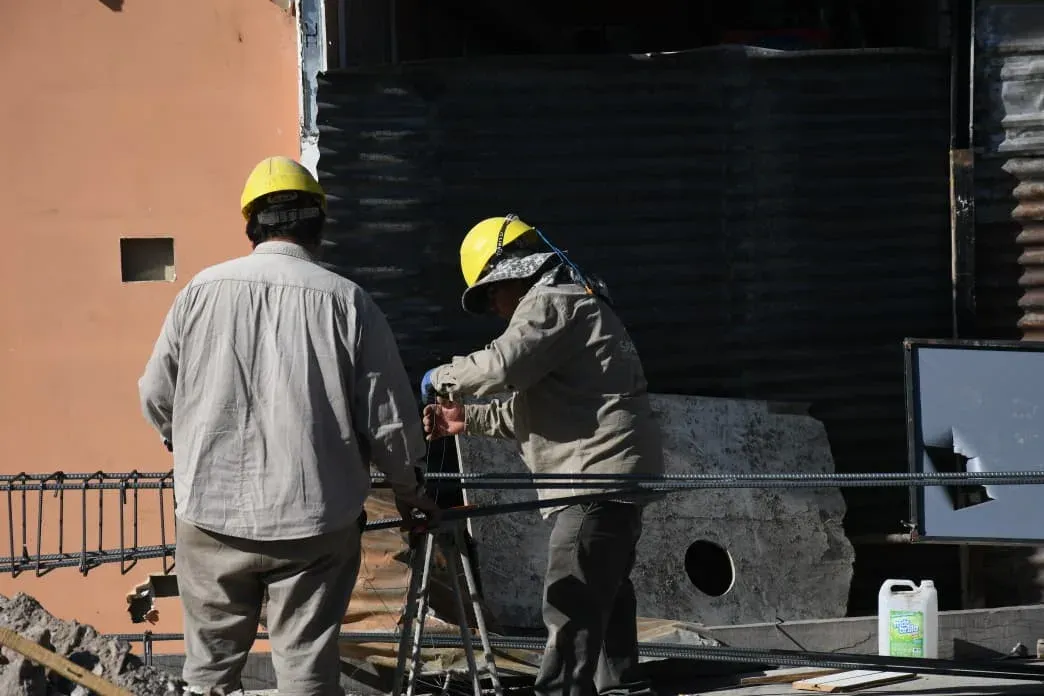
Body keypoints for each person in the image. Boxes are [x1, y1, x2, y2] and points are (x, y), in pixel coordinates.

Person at [138, 156, 439, 696]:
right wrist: (410, 491)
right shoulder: (348, 303)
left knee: (206, 675)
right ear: (319, 225)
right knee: (306, 674)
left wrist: (184, 445)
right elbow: (388, 419)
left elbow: (156, 394)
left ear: (251, 225)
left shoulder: (200, 292)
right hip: (313, 526)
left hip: (210, 519)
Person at [420, 214, 664, 696]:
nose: (494, 308)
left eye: (492, 292)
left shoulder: (552, 302)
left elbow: (501, 367)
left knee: (570, 598)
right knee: (605, 594)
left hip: (592, 482)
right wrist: (464, 421)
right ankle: (621, 687)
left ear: (514, 272)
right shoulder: (575, 307)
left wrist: (439, 377)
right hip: (608, 478)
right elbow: (531, 412)